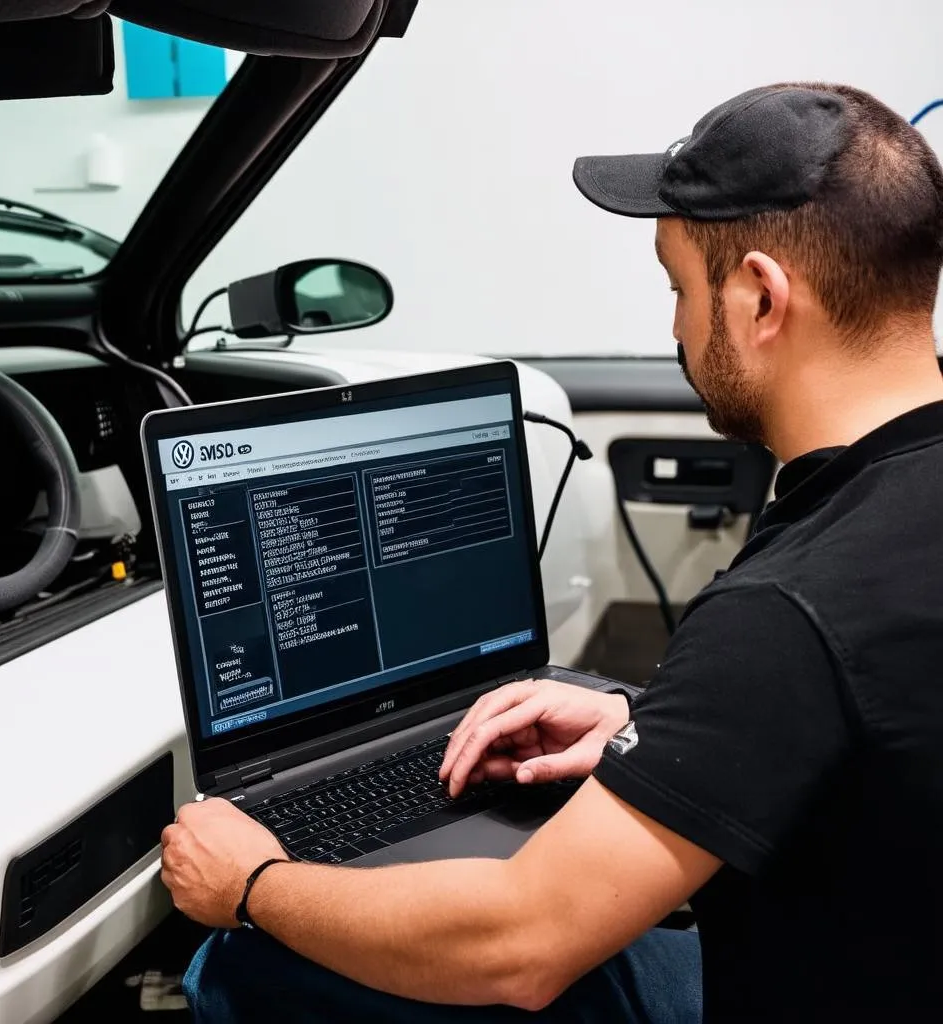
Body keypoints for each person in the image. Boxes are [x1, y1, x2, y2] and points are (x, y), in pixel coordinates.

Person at [160, 82, 943, 1022]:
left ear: (761, 297)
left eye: (679, 290)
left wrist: (251, 882)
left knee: (244, 968)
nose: (677, 331)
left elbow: (518, 947)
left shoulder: (790, 605)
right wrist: (652, 724)